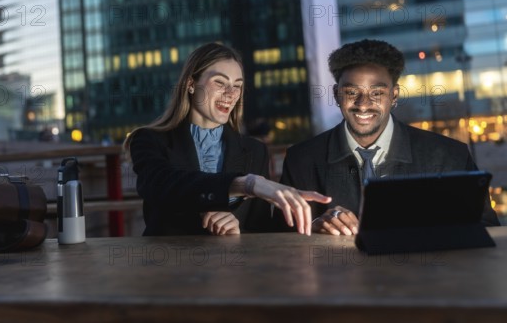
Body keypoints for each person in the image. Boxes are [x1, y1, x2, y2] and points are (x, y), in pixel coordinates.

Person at [279, 39, 500, 235]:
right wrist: (314, 228)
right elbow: (279, 240)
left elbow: (485, 230)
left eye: (377, 93)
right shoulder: (301, 160)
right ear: (337, 95)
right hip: (341, 280)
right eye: (352, 93)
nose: (363, 104)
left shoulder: (449, 156)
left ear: (394, 96)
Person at [124, 43, 331, 236]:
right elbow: (162, 186)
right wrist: (246, 184)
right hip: (169, 267)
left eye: (238, 86)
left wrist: (239, 230)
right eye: (220, 82)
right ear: (190, 84)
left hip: (233, 269)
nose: (231, 94)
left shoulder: (255, 151)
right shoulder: (149, 140)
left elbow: (260, 231)